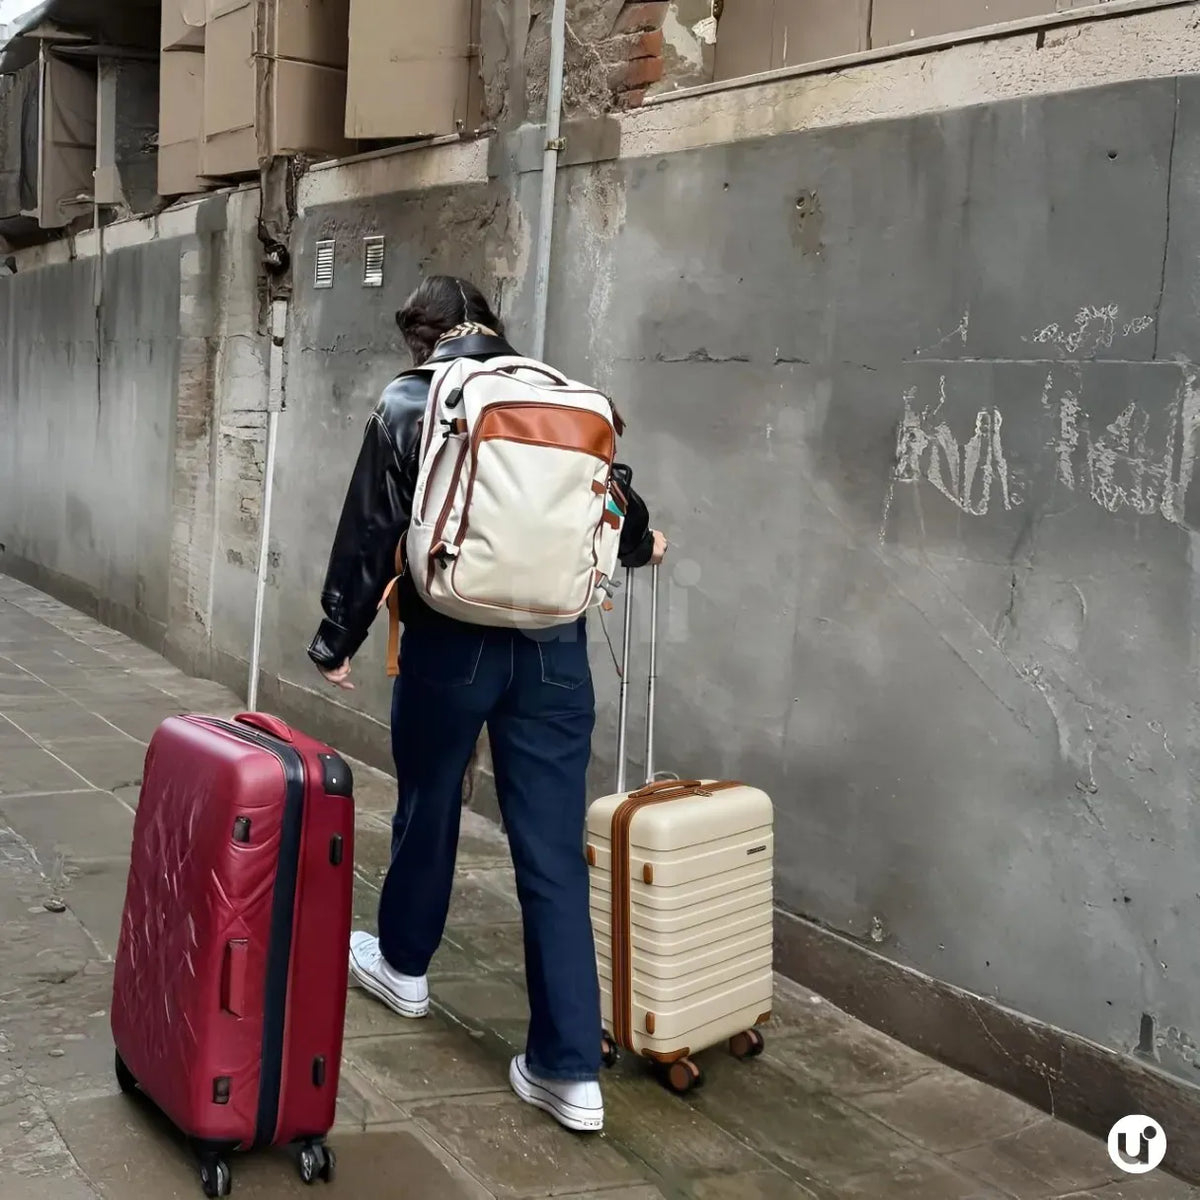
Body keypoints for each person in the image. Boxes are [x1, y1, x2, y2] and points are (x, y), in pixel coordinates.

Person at [307, 275, 667, 1133]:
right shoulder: (561, 395)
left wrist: (335, 639)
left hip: (450, 640)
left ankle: (404, 967)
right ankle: (569, 1072)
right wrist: (644, 544)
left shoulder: (413, 397)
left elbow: (372, 526)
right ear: (493, 327)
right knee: (552, 850)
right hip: (555, 648)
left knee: (430, 803)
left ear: (421, 335)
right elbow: (614, 502)